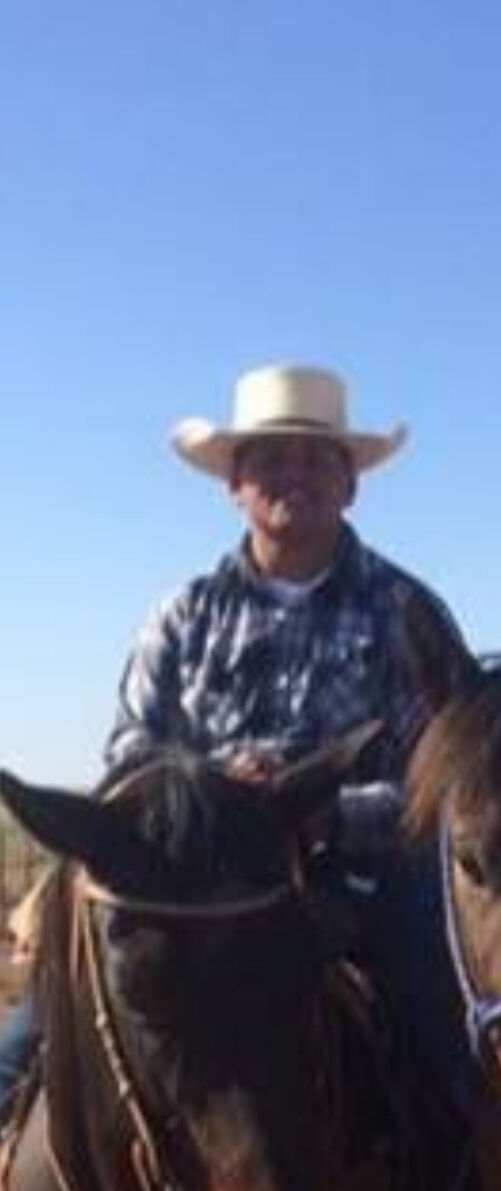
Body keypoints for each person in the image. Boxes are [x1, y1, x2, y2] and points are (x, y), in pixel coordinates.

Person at [0, 362, 470, 1123]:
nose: (295, 475)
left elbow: (446, 782)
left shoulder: (407, 614)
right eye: (271, 458)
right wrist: (215, 791)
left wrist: (329, 814)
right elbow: (131, 752)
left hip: (358, 875)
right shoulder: (184, 614)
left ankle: (475, 1182)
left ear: (350, 484)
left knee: (442, 1033)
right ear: (235, 484)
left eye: (318, 459)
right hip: (194, 887)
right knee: (32, 1036)